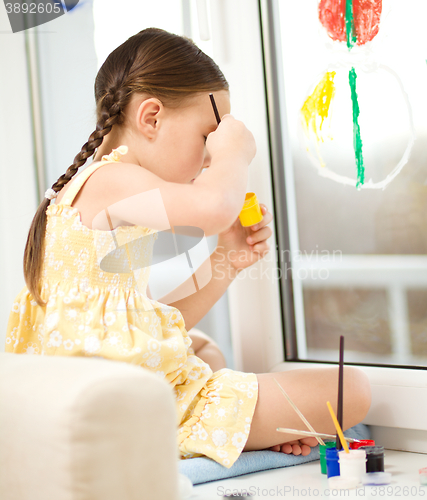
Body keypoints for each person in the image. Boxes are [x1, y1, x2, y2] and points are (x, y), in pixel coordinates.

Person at [5, 28, 371, 468]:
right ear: (151, 118)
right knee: (351, 391)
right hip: (124, 411)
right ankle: (223, 427)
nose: (210, 157)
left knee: (203, 347)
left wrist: (227, 259)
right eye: (206, 138)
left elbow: (143, 324)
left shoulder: (87, 195)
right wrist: (235, 150)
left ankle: (240, 426)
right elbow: (215, 207)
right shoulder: (113, 180)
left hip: (99, 394)